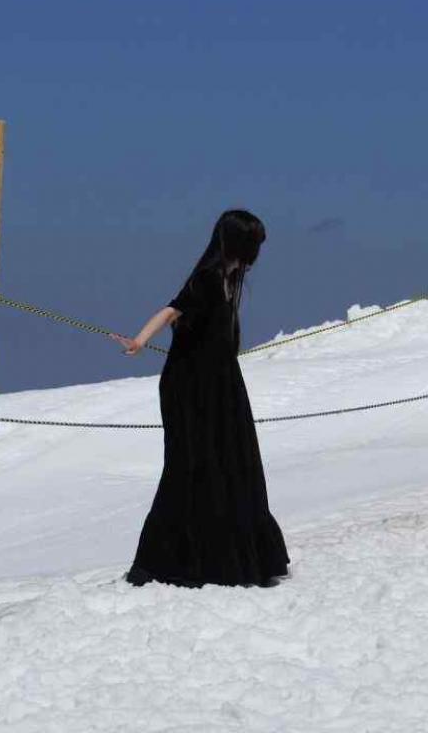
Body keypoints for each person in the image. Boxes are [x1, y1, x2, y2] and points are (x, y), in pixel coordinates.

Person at [112, 209, 289, 588]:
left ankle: (235, 555)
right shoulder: (208, 277)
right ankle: (177, 559)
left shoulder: (231, 278)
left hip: (221, 382)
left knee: (235, 461)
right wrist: (140, 341)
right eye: (253, 242)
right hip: (192, 387)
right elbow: (172, 310)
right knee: (194, 464)